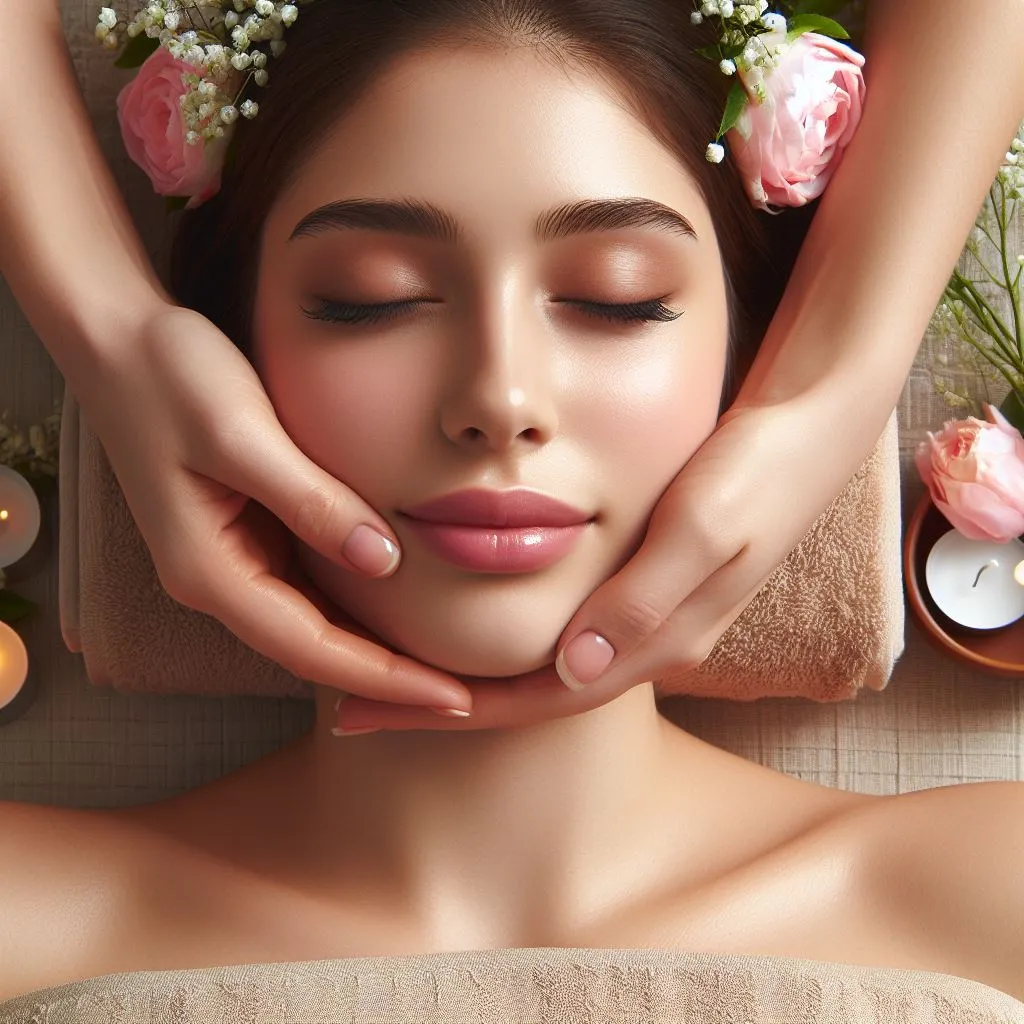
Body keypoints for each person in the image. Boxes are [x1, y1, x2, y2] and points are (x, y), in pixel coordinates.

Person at [1, 1, 1023, 1008]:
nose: (499, 398)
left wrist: (838, 384)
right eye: (370, 295)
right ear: (233, 346)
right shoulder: (33, 916)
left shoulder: (985, 889)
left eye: (619, 298)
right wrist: (112, 336)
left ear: (742, 355)